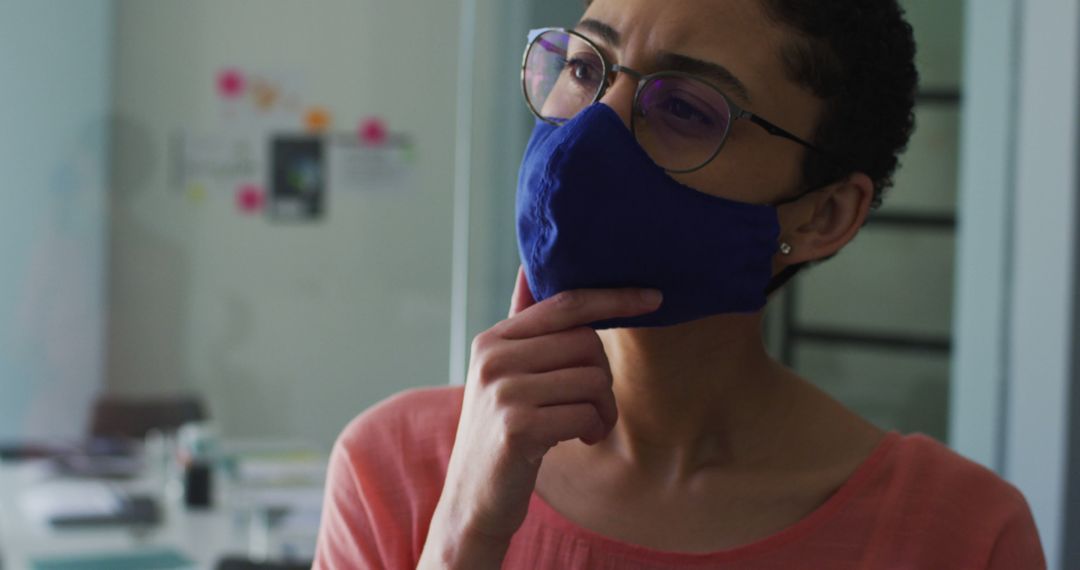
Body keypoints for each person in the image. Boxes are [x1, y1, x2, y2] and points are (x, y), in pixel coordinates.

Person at [314, 0, 1045, 568]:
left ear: (824, 214)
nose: (590, 131)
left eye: (687, 109)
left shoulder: (959, 534)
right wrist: (462, 536)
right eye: (582, 66)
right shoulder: (396, 469)